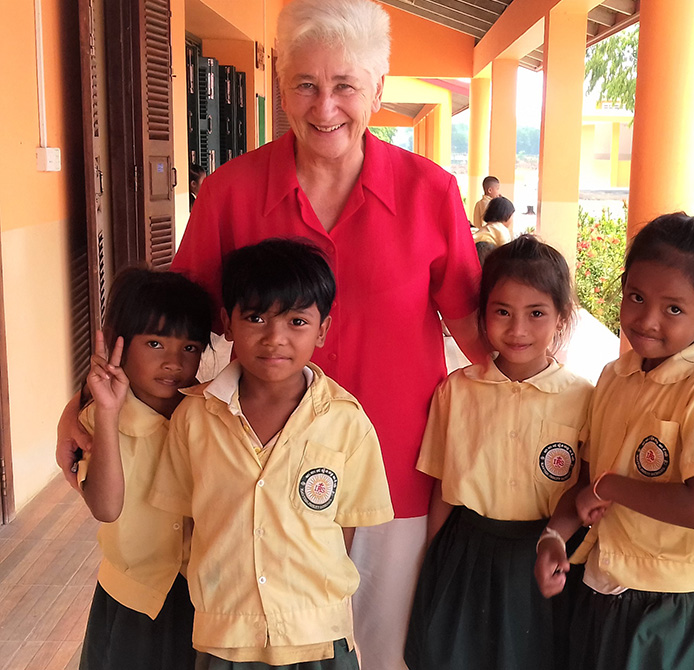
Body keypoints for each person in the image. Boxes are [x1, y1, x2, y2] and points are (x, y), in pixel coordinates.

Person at [57, 1, 485, 665]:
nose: (324, 108)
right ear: (280, 83)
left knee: (378, 649)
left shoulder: (430, 191)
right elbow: (168, 321)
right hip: (251, 473)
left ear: (379, 85)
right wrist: (80, 405)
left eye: (345, 85)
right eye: (304, 85)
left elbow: (484, 338)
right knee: (261, 648)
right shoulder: (231, 190)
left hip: (393, 468)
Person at [149, 239, 393, 669]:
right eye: (256, 317)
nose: (274, 338)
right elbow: (186, 520)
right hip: (226, 634)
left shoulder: (346, 420)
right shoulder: (195, 417)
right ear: (227, 322)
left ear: (323, 330)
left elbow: (346, 529)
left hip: (316, 635)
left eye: (297, 321)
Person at [535, 213, 694, 670]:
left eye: (673, 308)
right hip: (600, 587)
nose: (647, 320)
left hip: (669, 610)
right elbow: (587, 480)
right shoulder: (615, 375)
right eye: (636, 297)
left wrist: (610, 488)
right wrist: (554, 535)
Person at [405, 235, 593, 670]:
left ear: (562, 317)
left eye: (536, 313)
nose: (518, 329)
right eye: (502, 312)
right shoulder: (457, 390)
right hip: (467, 553)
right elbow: (442, 486)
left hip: (545, 551)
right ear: (483, 313)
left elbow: (586, 484)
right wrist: (430, 562)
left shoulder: (583, 397)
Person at [77, 268, 213, 670]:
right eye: (155, 343)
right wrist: (106, 412)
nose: (173, 362)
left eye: (189, 348)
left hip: (201, 594)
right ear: (119, 342)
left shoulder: (212, 415)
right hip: (133, 596)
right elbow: (105, 508)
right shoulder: (97, 420)